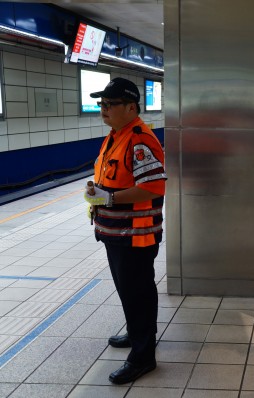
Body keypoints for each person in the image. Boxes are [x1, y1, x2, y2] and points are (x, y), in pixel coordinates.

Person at [83, 77, 167, 384]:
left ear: (131, 107)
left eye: (110, 104)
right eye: (101, 104)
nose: (103, 109)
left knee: (138, 291)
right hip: (115, 232)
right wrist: (99, 193)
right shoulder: (115, 136)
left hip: (136, 234)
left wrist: (111, 197)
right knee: (128, 290)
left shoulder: (140, 139)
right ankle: (137, 334)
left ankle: (143, 357)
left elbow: (154, 186)